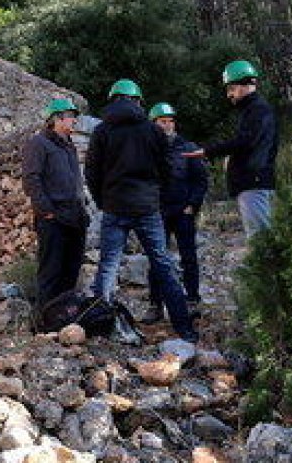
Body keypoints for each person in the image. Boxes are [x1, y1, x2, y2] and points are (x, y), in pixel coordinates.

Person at [85, 79, 198, 342]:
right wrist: (157, 197)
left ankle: (101, 329)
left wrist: (103, 201)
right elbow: (167, 169)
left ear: (113, 100)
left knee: (108, 266)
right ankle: (184, 328)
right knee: (163, 264)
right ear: (137, 101)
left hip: (114, 206)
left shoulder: (102, 131)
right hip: (147, 206)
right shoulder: (152, 130)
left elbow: (91, 172)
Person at [183, 60, 278, 239]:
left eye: (231, 88)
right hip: (255, 182)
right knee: (262, 237)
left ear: (246, 85)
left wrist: (208, 151)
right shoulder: (254, 110)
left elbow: (244, 142)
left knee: (260, 240)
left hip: (254, 183)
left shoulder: (257, 110)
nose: (229, 95)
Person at [21, 97, 89, 310]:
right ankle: (45, 319)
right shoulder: (38, 143)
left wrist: (82, 208)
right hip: (53, 219)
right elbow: (31, 179)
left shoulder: (69, 146)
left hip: (75, 217)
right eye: (70, 116)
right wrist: (46, 211)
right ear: (56, 119)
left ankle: (64, 318)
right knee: (50, 273)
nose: (74, 121)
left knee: (71, 272)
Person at [147, 102, 209, 313]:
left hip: (183, 211)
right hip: (157, 213)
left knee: (188, 257)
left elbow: (200, 180)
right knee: (156, 260)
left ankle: (192, 301)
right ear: (153, 124)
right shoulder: (147, 151)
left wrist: (192, 205)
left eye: (170, 121)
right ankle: (155, 305)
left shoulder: (188, 148)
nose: (167, 125)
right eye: (162, 121)